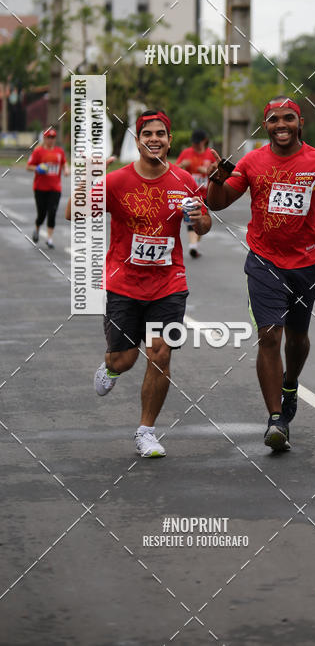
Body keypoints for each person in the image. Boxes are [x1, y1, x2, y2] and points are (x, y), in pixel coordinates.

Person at [206, 97, 315, 453]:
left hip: (307, 263)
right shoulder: (253, 162)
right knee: (269, 336)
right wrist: (216, 181)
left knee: (297, 339)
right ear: (265, 125)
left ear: (300, 123)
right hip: (264, 261)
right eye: (273, 120)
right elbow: (217, 203)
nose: (280, 125)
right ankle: (276, 419)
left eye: (288, 119)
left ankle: (291, 382)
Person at [65, 110, 211, 458]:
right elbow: (73, 212)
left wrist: (200, 220)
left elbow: (203, 226)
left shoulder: (185, 180)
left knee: (160, 354)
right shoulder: (117, 182)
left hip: (169, 284)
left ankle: (146, 431)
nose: (155, 139)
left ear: (170, 140)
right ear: (138, 140)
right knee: (125, 359)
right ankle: (111, 367)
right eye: (148, 134)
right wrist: (91, 178)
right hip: (124, 284)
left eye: (161, 133)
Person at [27, 127, 69, 249]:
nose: (51, 140)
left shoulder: (59, 152)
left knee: (52, 212)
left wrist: (66, 169)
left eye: (53, 137)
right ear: (44, 138)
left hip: (55, 188)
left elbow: (64, 163)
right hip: (40, 188)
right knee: (41, 214)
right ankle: (37, 228)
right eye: (49, 137)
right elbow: (28, 166)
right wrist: (38, 168)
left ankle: (49, 239)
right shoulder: (38, 152)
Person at [176, 130, 213, 258]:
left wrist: (207, 171)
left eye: (198, 142)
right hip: (190, 193)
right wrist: (182, 165)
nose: (196, 145)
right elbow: (174, 171)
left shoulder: (210, 154)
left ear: (204, 141)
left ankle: (194, 245)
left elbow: (217, 173)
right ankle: (193, 246)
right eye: (194, 142)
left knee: (202, 221)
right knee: (191, 218)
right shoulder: (186, 153)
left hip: (206, 194)